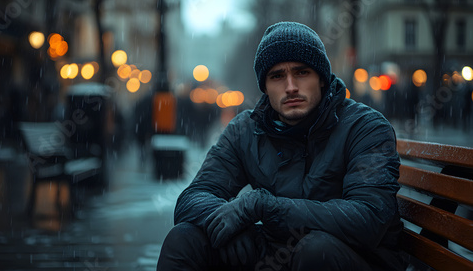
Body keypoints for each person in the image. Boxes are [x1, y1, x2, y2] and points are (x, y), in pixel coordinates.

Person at [157, 21, 404, 271]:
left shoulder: (365, 127)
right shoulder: (246, 129)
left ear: (322, 78)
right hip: (276, 253)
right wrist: (231, 223)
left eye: (302, 72)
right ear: (265, 87)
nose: (290, 87)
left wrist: (263, 206)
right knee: (184, 239)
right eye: (277, 76)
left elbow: (368, 218)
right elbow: (191, 199)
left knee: (315, 250)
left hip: (352, 257)